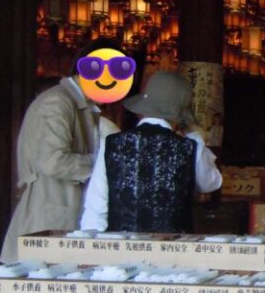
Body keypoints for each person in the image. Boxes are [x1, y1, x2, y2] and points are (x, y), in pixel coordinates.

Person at [0, 38, 125, 263]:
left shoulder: (78, 104)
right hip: (49, 218)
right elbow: (52, 161)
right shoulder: (57, 102)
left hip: (60, 215)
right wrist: (104, 166)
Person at [80, 70, 222, 233]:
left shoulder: (111, 144)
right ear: (179, 116)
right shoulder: (189, 147)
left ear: (144, 108)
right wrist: (195, 135)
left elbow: (96, 207)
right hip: (174, 251)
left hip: (123, 249)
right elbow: (211, 183)